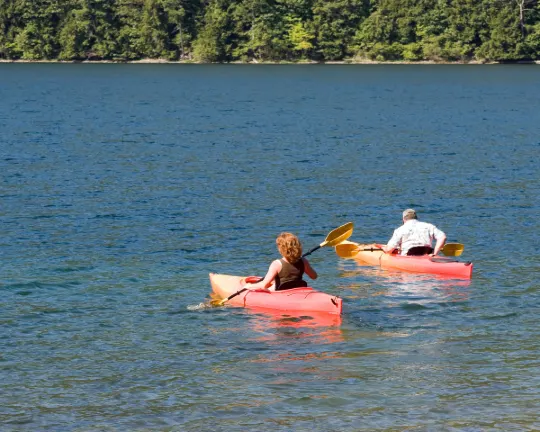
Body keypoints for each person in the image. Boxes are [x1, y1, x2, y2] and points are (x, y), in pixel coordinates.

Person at [245, 232, 318, 291]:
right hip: (297, 290)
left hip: (281, 292)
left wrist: (250, 286)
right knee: (274, 283)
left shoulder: (277, 264)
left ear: (281, 249)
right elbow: (314, 276)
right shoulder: (303, 261)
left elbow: (264, 285)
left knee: (269, 287)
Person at [381, 209, 446, 256]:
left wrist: (383, 248)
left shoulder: (400, 230)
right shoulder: (429, 226)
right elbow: (442, 237)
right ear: (416, 218)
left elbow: (389, 250)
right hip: (427, 254)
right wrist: (435, 253)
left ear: (403, 219)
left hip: (409, 256)